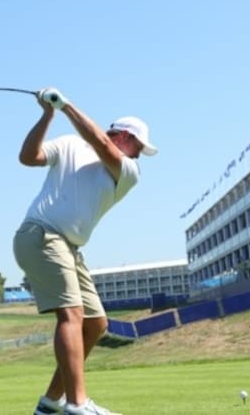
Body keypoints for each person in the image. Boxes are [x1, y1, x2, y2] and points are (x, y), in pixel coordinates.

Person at [13, 87, 157, 415]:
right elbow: (28, 157)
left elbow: (101, 144)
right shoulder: (70, 144)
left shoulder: (128, 172)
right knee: (72, 315)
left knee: (96, 323)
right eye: (137, 147)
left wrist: (65, 106)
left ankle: (51, 403)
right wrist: (48, 115)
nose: (137, 156)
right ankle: (77, 405)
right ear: (124, 136)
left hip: (69, 247)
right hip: (41, 234)